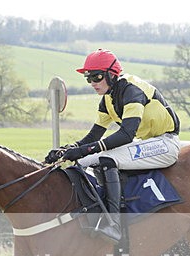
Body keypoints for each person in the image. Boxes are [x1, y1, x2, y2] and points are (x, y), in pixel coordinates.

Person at [45, 48, 181, 243]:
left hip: (165, 142)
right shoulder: (108, 98)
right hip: (146, 141)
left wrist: (82, 150)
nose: (92, 83)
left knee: (106, 159)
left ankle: (114, 225)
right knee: (83, 161)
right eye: (88, 78)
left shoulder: (131, 90)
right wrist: (67, 150)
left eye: (97, 77)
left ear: (111, 74)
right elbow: (94, 135)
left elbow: (126, 134)